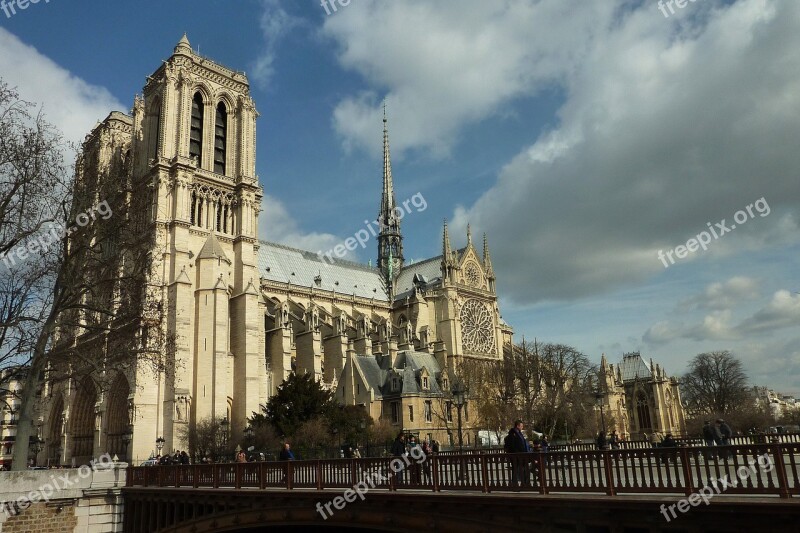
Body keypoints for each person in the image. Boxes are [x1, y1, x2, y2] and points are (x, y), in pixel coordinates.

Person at [505, 420, 531, 490]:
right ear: (517, 426)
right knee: (516, 470)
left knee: (524, 469)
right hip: (517, 456)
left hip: (522, 455)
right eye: (521, 426)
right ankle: (515, 485)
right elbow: (513, 446)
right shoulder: (513, 434)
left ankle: (525, 483)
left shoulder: (519, 433)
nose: (522, 427)